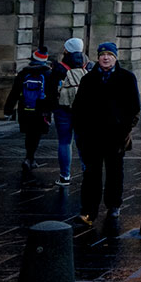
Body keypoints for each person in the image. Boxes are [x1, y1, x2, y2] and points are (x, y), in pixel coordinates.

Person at [72, 43, 139, 224]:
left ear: (115, 57)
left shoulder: (126, 78)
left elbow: (134, 108)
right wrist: (80, 131)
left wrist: (125, 130)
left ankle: (113, 206)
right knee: (91, 175)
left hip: (116, 136)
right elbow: (78, 108)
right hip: (91, 137)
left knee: (115, 173)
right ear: (98, 57)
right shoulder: (89, 79)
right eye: (102, 55)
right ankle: (88, 212)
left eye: (110, 54)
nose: (106, 58)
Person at [3, 48, 54, 173]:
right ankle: (30, 158)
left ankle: (28, 157)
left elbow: (14, 93)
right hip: (41, 111)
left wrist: (8, 110)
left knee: (29, 134)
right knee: (36, 134)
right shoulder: (48, 74)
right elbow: (52, 94)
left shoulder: (23, 73)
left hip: (25, 108)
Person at [50, 38, 90, 185]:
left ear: (66, 49)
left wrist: (52, 108)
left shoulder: (60, 67)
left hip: (63, 109)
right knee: (83, 142)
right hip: (83, 111)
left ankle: (64, 176)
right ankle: (87, 172)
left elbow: (51, 90)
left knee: (64, 142)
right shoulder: (89, 65)